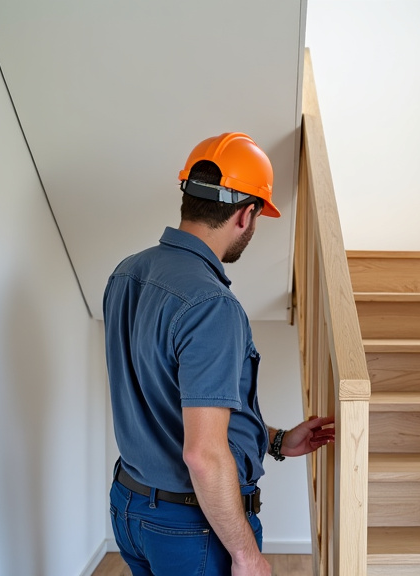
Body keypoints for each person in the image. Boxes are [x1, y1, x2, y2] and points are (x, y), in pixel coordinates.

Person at [103, 132, 335, 576]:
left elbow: (171, 400)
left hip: (131, 509)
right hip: (192, 527)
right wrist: (247, 557)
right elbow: (203, 454)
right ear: (246, 215)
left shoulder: (126, 273)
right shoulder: (212, 306)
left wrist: (276, 441)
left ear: (187, 197)